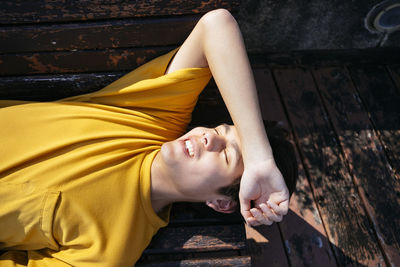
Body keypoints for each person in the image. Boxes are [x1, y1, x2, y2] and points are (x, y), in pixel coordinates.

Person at [0, 9, 297, 266]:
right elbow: (217, 25)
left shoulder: (111, 249)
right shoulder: (155, 119)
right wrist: (258, 158)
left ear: (220, 203)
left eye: (226, 155)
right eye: (220, 130)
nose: (209, 138)